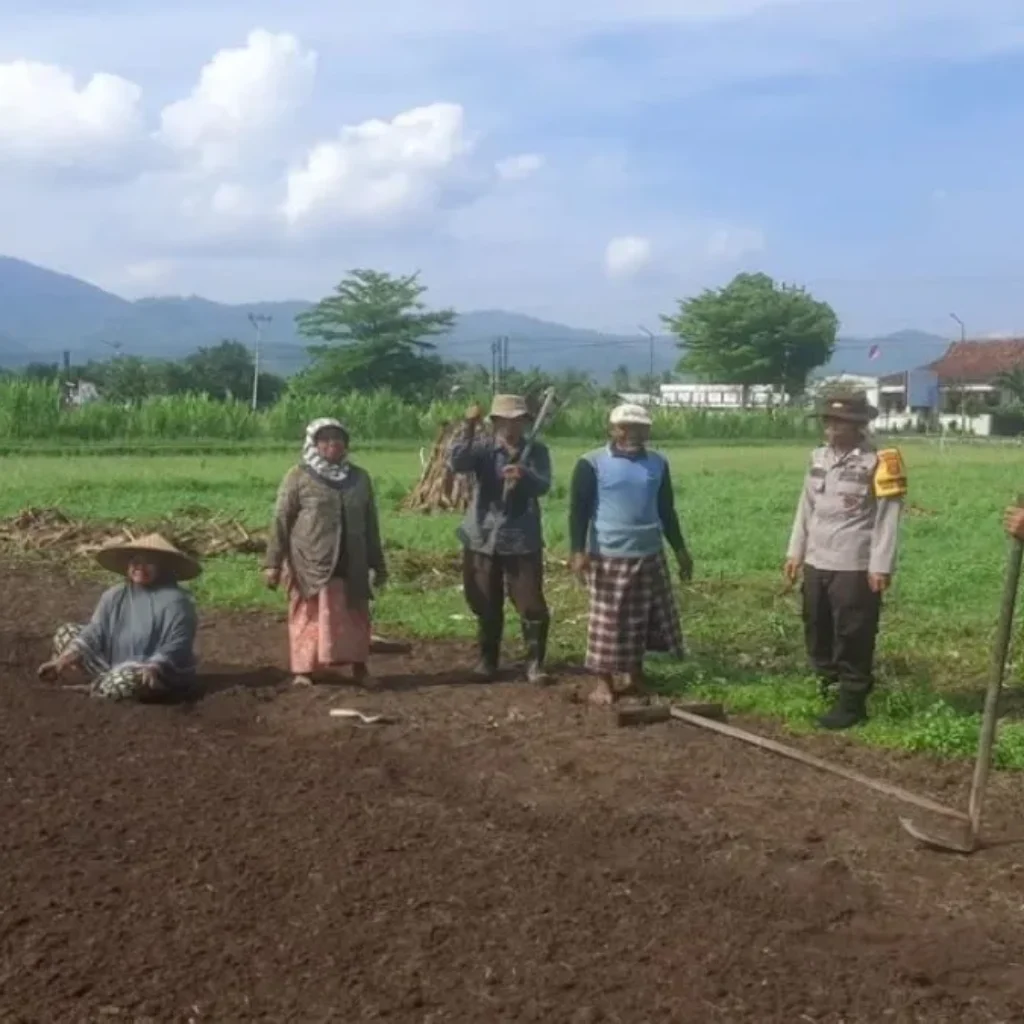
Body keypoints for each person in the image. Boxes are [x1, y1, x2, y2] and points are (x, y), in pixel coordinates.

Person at [784, 391, 906, 730]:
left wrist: (881, 564)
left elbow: (888, 516)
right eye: (827, 420)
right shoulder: (818, 457)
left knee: (853, 631)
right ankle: (827, 685)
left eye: (838, 422)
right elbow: (805, 506)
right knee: (816, 624)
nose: (830, 427)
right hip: (816, 558)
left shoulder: (881, 461)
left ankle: (853, 702)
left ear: (858, 425)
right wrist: (795, 550)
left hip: (854, 562)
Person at [568, 403, 692, 706]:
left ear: (647, 431)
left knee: (641, 618)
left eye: (639, 428)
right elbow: (578, 511)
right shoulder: (591, 463)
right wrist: (577, 551)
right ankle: (603, 683)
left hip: (649, 552)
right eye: (625, 427)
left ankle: (635, 676)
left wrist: (680, 550)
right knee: (608, 622)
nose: (632, 433)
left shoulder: (658, 464)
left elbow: (666, 510)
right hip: (608, 554)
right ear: (613, 429)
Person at [264, 418, 387, 687]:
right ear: (314, 444)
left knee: (354, 615)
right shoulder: (298, 476)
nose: (333, 443)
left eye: (338, 438)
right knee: (308, 615)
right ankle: (304, 671)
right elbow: (281, 520)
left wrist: (378, 564)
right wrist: (272, 563)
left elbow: (371, 524)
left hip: (351, 559)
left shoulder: (359, 478)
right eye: (325, 439)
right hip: (310, 560)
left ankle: (359, 669)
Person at [448, 394, 552, 683]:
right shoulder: (482, 449)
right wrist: (467, 427)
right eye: (506, 420)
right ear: (494, 422)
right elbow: (457, 462)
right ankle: (488, 659)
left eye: (518, 420)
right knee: (484, 599)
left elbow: (544, 485)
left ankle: (534, 664)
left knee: (530, 602)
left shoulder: (537, 451)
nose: (512, 426)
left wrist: (524, 475)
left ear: (525, 422)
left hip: (521, 535)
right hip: (481, 533)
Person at [37, 534, 200, 701]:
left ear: (163, 567)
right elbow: (95, 630)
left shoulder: (177, 601)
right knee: (66, 632)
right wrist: (63, 659)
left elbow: (179, 643)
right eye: (136, 562)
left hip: (154, 672)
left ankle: (100, 686)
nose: (140, 568)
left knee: (128, 680)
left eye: (149, 563)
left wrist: (155, 665)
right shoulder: (115, 595)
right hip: (113, 664)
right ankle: (103, 682)